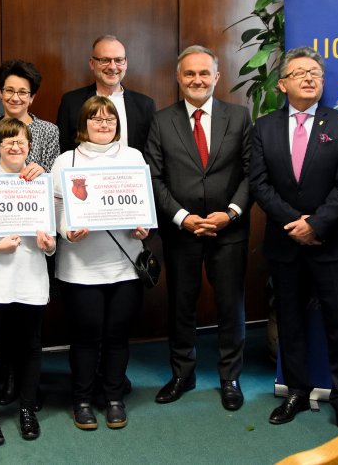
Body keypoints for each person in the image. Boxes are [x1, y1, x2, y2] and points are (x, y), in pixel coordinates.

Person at [249, 47, 338, 430]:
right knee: (291, 321)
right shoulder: (264, 127)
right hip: (285, 244)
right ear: (282, 84)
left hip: (331, 242)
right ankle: (297, 393)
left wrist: (316, 225)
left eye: (315, 72)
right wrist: (295, 223)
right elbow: (259, 184)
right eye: (300, 72)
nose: (309, 78)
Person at [144, 45, 251, 411]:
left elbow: (252, 173)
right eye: (189, 73)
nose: (197, 80)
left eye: (204, 73)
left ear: (217, 77)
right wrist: (182, 217)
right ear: (178, 78)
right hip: (181, 231)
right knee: (181, 306)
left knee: (230, 306)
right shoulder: (161, 121)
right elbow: (154, 176)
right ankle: (182, 374)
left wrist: (232, 212)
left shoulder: (239, 117)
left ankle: (230, 378)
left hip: (229, 231)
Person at [52, 96, 150, 430]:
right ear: (83, 124)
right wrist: (66, 231)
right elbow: (56, 209)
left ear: (118, 125)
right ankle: (81, 399)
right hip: (80, 266)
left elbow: (143, 204)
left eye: (109, 119)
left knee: (118, 335)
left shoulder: (133, 156)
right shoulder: (66, 161)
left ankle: (113, 397)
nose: (103, 124)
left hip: (124, 264)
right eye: (96, 119)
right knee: (85, 336)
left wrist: (143, 226)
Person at [0, 117, 56, 445]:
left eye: (21, 142)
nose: (15, 147)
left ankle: (27, 409)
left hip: (30, 275)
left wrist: (50, 245)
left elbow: (52, 236)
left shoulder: (41, 184)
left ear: (30, 146)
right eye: (8, 142)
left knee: (30, 346)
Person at [56, 35, 156, 153]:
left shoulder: (145, 105)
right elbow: (62, 148)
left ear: (126, 63)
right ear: (92, 63)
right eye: (105, 60)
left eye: (119, 60)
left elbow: (151, 153)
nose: (112, 67)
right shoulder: (71, 102)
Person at [0, 59, 59, 177]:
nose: (15, 98)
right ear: (0, 94)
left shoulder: (49, 131)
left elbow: (53, 175)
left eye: (22, 92)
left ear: (32, 97)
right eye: (9, 90)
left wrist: (42, 171)